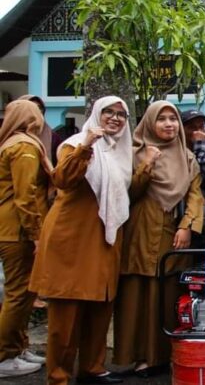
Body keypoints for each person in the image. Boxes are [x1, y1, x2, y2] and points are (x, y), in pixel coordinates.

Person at [29, 96, 132, 384]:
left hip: (105, 237)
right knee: (66, 314)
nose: (115, 118)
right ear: (95, 114)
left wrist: (147, 167)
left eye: (121, 114)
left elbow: (125, 193)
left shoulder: (121, 152)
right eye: (108, 112)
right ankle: (58, 375)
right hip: (72, 238)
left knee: (100, 307)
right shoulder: (74, 144)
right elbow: (63, 179)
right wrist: (86, 145)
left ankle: (93, 368)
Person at [113, 101, 203, 378]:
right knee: (137, 293)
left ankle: (163, 356)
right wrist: (147, 164)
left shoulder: (186, 157)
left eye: (173, 119)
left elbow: (195, 195)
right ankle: (138, 356)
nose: (168, 124)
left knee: (166, 294)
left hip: (173, 232)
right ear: (149, 123)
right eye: (161, 119)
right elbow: (127, 194)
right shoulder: (133, 154)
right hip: (139, 229)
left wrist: (187, 226)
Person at [0, 100, 51, 379]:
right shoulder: (25, 147)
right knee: (19, 295)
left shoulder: (13, 143)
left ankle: (19, 347)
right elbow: (25, 196)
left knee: (25, 292)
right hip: (17, 232)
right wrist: (36, 234)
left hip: (11, 228)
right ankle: (5, 354)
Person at [181, 109, 205, 247]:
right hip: (187, 217)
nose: (197, 132)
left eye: (201, 127)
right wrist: (200, 145)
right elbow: (201, 178)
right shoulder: (178, 152)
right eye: (192, 128)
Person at [18, 94, 64, 166]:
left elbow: (61, 164)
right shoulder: (11, 136)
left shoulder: (53, 137)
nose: (37, 111)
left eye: (39, 107)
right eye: (32, 107)